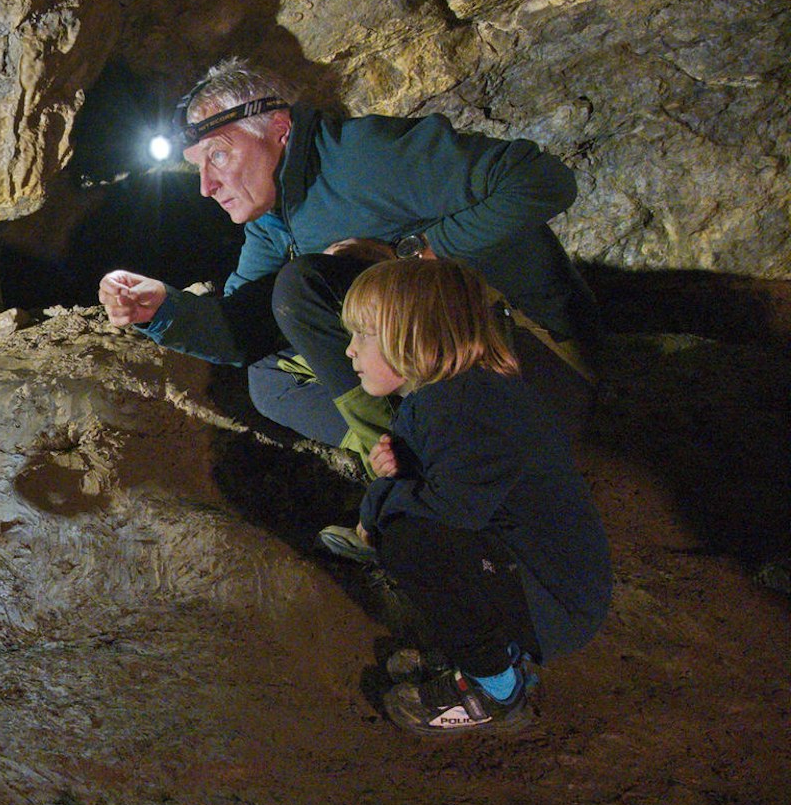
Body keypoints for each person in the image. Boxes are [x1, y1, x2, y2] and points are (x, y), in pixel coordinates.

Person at [98, 58, 600, 470]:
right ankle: (411, 465)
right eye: (198, 168)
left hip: (536, 359)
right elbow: (243, 333)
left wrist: (418, 253)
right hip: (456, 373)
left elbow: (543, 180)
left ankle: (439, 477)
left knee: (301, 286)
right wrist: (160, 309)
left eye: (219, 156)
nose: (206, 186)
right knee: (272, 381)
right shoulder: (273, 223)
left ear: (278, 128)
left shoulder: (365, 158)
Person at [337, 258, 610, 735]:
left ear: (415, 335)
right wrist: (395, 482)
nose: (349, 350)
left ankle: (496, 689)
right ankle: (484, 651)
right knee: (410, 531)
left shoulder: (465, 404)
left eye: (364, 335)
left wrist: (379, 506)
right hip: (538, 578)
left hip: (558, 603)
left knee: (412, 542)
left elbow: (452, 512)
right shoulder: (455, 395)